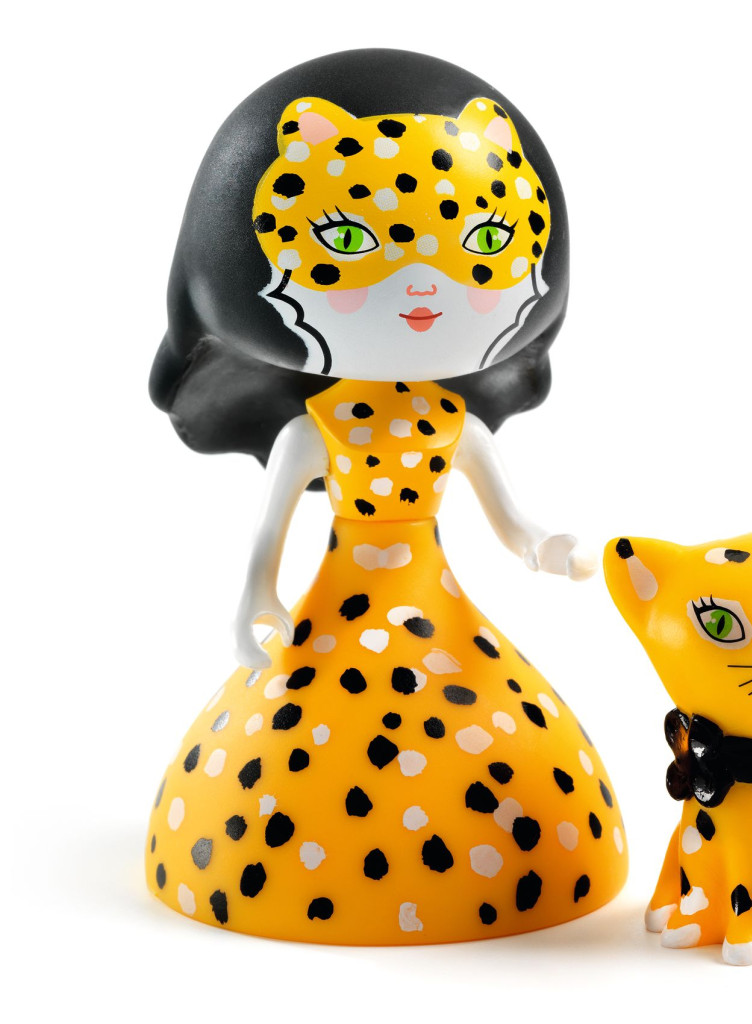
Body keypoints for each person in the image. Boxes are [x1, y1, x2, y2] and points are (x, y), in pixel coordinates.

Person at [146, 48, 628, 944]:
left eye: (479, 243)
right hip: (334, 616)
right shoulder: (313, 431)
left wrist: (542, 546)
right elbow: (269, 533)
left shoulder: (456, 426)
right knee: (295, 767)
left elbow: (511, 521)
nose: (422, 286)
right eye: (353, 241)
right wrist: (254, 596)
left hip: (439, 616)